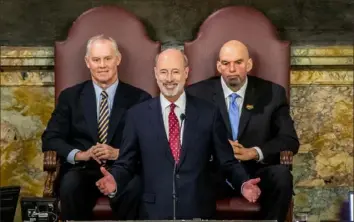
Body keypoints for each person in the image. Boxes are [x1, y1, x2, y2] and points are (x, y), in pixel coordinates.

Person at [96, 47, 261, 220]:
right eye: (164, 72)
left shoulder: (208, 113)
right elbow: (126, 163)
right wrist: (114, 180)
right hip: (153, 212)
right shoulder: (137, 115)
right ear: (155, 74)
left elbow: (227, 161)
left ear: (186, 73)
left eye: (175, 72)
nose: (169, 79)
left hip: (197, 210)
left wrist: (243, 183)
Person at [186, 40, 300, 222]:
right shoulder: (197, 94)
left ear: (249, 64)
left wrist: (253, 152)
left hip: (256, 171)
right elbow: (186, 139)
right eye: (226, 63)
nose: (232, 69)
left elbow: (289, 140)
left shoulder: (272, 93)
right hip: (216, 172)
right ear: (218, 66)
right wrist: (218, 147)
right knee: (192, 179)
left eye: (238, 62)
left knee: (282, 176)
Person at [42, 34, 151, 220]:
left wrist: (118, 153)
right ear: (87, 62)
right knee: (70, 185)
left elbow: (151, 143)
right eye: (96, 59)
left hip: (124, 170)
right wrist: (80, 155)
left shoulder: (140, 99)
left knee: (136, 188)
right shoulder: (70, 97)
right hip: (83, 170)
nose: (102, 65)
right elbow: (50, 138)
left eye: (108, 58)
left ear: (118, 59)